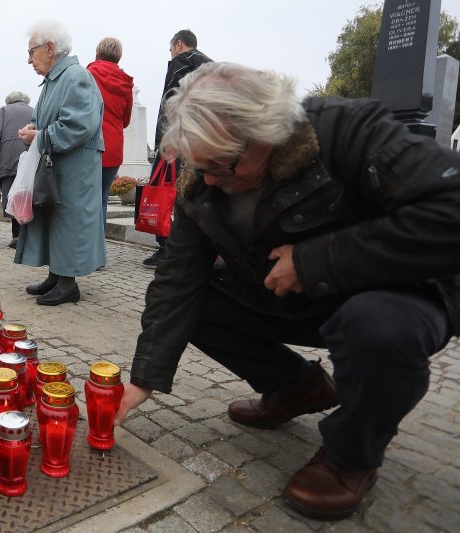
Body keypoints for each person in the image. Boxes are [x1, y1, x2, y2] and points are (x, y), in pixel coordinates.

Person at [115, 62, 460, 520]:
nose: (211, 180)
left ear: (266, 133)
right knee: (193, 304)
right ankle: (295, 386)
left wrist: (319, 260)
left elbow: (451, 209)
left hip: (393, 293)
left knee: (375, 328)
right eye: (201, 166)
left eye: (223, 166)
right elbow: (176, 279)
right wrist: (143, 378)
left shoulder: (347, 131)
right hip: (294, 298)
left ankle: (351, 456)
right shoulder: (203, 183)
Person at [15, 21, 106, 306]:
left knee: (70, 219)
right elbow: (54, 120)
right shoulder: (57, 79)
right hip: (61, 164)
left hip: (75, 168)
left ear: (50, 48)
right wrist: (35, 128)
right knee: (56, 218)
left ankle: (68, 284)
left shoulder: (76, 76)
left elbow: (79, 125)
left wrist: (40, 136)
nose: (29, 59)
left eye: (32, 51)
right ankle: (57, 275)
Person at [143, 29, 212, 268]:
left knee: (166, 194)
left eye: (171, 48)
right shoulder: (210, 66)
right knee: (190, 195)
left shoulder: (181, 63)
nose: (170, 53)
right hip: (199, 141)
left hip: (175, 141)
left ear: (179, 44)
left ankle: (167, 248)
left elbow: (170, 103)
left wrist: (166, 140)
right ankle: (191, 248)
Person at [87, 37, 134, 233]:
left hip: (89, 145)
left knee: (85, 198)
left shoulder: (88, 75)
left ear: (97, 53)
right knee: (103, 197)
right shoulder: (125, 84)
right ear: (119, 57)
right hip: (113, 148)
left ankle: (83, 250)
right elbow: (126, 120)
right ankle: (98, 251)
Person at [0, 91, 35, 248]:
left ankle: (16, 237)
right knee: (29, 196)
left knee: (13, 198)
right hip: (31, 160)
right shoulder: (34, 111)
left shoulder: (3, 111)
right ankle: (31, 236)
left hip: (8, 161)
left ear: (9, 101)